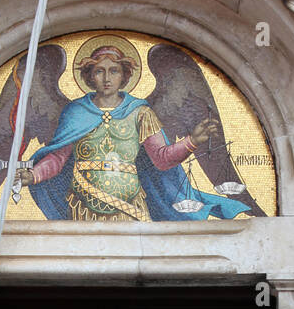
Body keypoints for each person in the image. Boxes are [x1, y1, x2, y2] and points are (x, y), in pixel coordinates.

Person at [17, 40, 251, 223]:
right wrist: (34, 174)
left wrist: (193, 140)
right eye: (99, 71)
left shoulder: (140, 112)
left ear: (125, 75)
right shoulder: (75, 112)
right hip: (85, 204)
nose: (107, 78)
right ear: (89, 76)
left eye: (114, 71)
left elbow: (161, 158)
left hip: (131, 203)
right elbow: (58, 158)